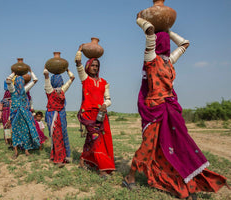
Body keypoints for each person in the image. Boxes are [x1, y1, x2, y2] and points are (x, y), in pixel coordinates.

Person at [122, 15, 228, 199]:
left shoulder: (169, 61)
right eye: (162, 38)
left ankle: (186, 182)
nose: (166, 43)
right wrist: (142, 21)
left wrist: (168, 29)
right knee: (148, 146)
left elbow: (185, 44)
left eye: (164, 39)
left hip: (170, 108)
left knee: (177, 145)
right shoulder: (150, 59)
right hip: (154, 109)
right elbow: (149, 33)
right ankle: (130, 177)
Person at [75, 45, 115, 178]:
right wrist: (80, 51)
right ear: (88, 67)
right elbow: (78, 63)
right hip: (88, 114)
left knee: (94, 139)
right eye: (92, 65)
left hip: (100, 115)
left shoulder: (104, 82)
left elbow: (108, 99)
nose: (95, 68)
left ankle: (83, 160)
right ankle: (102, 168)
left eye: (97, 66)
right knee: (96, 139)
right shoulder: (85, 79)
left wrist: (105, 104)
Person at [44, 67, 74, 167]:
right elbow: (72, 78)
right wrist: (67, 70)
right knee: (60, 136)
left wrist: (46, 69)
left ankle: (58, 157)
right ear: (61, 82)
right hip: (57, 117)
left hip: (54, 117)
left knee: (57, 137)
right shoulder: (62, 90)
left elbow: (46, 76)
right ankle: (60, 158)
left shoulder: (49, 90)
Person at [6, 71, 40, 159]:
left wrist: (14, 73)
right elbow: (35, 80)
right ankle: (18, 151)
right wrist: (31, 72)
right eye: (19, 82)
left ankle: (24, 151)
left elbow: (8, 80)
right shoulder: (16, 90)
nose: (20, 84)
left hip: (20, 114)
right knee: (17, 132)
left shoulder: (18, 90)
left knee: (23, 132)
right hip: (16, 114)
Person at [0, 81, 12, 147]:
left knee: (5, 126)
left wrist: (0, 115)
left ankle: (6, 140)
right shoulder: (12, 99)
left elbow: (0, 109)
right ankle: (9, 140)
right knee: (9, 126)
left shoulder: (3, 100)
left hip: (4, 114)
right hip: (10, 113)